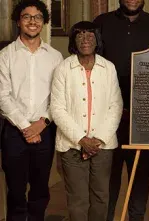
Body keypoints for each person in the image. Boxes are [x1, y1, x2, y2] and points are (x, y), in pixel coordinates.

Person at [93, 1, 149, 220]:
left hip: (144, 118)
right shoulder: (102, 22)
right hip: (107, 117)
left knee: (141, 177)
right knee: (108, 177)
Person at [50, 21, 123, 221]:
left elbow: (115, 106)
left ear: (97, 39)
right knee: (77, 200)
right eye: (80, 35)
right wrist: (82, 139)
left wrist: (98, 139)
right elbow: (57, 108)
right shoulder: (63, 68)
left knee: (101, 197)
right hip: (72, 145)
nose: (85, 39)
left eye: (90, 35)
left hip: (103, 145)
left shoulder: (108, 68)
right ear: (73, 40)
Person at [0, 1, 63, 220]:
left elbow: (59, 97)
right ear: (18, 21)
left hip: (44, 132)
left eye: (37, 17)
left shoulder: (55, 57)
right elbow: (2, 96)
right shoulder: (5, 55)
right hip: (14, 133)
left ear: (44, 21)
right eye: (27, 17)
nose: (32, 21)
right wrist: (27, 127)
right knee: (16, 191)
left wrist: (41, 124)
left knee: (40, 190)